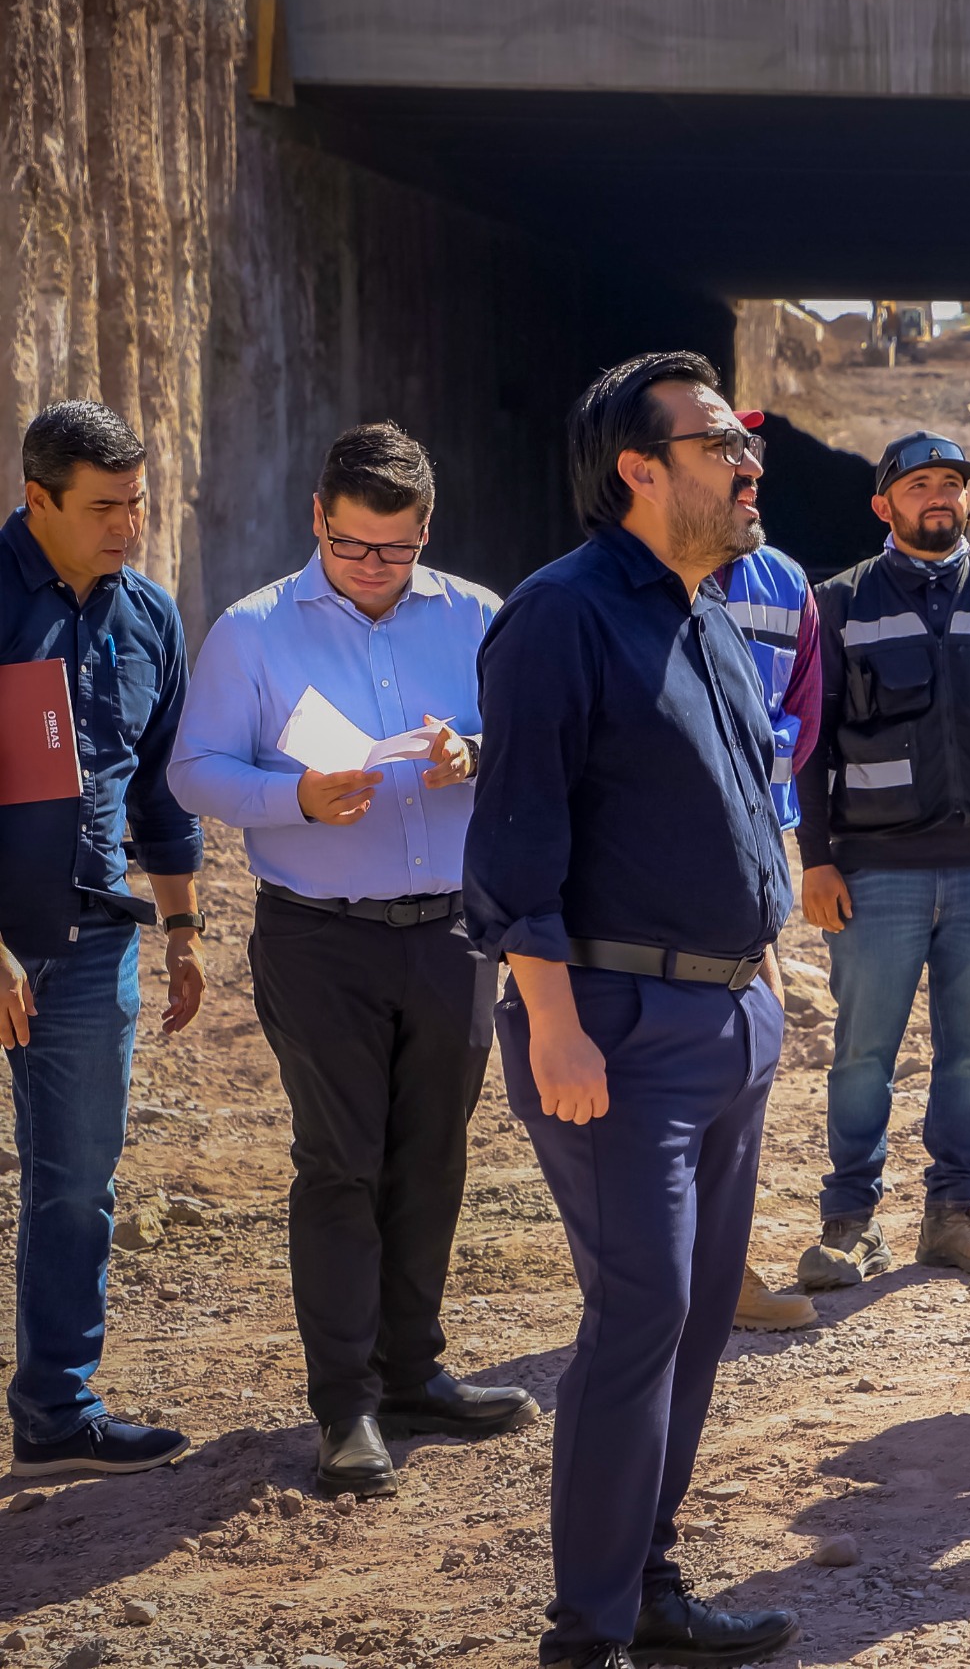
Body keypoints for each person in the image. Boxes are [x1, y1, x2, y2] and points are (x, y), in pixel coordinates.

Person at [464, 352, 799, 1669]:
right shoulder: (560, 615)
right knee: (639, 1312)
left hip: (730, 1025)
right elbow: (513, 838)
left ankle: (650, 1582)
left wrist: (759, 966)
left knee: (699, 1314)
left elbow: (727, 813)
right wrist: (550, 1020)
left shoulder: (708, 612)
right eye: (721, 442)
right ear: (640, 469)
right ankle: (588, 1633)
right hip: (610, 1027)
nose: (748, 462)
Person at [168, 422, 531, 1498]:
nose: (373, 570)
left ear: (427, 531)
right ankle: (347, 1406)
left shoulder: (478, 615)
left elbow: (541, 739)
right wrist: (294, 797)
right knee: (340, 1163)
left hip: (452, 932)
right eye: (352, 547)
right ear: (317, 522)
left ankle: (414, 1373)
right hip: (318, 934)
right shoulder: (252, 630)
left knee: (432, 1155)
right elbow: (195, 773)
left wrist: (478, 748)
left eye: (396, 549)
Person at [794, 431, 970, 1290]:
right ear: (885, 506)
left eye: (950, 483)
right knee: (862, 1054)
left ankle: (953, 1216)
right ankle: (851, 1224)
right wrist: (817, 860)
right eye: (919, 485)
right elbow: (809, 744)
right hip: (876, 872)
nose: (938, 497)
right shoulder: (838, 603)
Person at [0, 401, 205, 1479]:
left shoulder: (149, 616)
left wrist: (181, 925)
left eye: (138, 502)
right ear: (38, 499)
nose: (129, 524)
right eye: (105, 506)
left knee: (78, 1182)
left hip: (89, 948)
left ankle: (56, 1409)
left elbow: (161, 788)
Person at [715, 509, 828, 1334]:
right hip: (652, 850)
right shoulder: (614, 583)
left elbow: (805, 710)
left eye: (752, 472)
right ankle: (669, 1279)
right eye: (730, 467)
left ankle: (721, 1270)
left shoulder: (786, 583)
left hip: (754, 842)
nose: (747, 486)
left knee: (749, 1052)